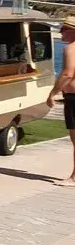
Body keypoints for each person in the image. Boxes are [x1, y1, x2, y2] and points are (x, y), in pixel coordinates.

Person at [47, 16, 75, 186]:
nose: (61, 33)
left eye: (63, 29)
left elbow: (67, 74)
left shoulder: (71, 49)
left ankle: (74, 177)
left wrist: (53, 93)